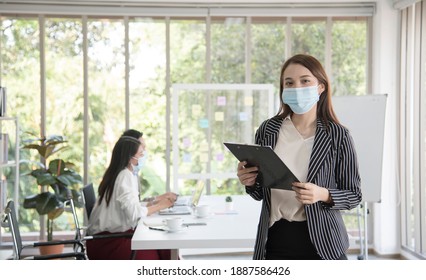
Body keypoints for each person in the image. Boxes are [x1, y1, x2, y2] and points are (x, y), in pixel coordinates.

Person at [237, 54, 362, 260]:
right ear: (283, 89)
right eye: (289, 82)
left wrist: (322, 194)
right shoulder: (268, 130)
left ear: (320, 87)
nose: (297, 88)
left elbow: (354, 195)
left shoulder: (338, 135)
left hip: (323, 241)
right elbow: (260, 193)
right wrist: (249, 181)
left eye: (305, 81)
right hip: (275, 238)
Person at [86, 135, 174, 260]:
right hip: (108, 243)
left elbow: (131, 207)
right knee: (158, 252)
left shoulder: (121, 173)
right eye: (140, 154)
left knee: (165, 246)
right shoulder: (124, 176)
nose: (143, 157)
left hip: (111, 237)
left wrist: (155, 203)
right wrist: (161, 205)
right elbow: (135, 214)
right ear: (129, 158)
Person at [121, 129, 177, 205]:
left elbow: (136, 204)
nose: (143, 152)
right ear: (131, 150)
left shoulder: (132, 173)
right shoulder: (124, 175)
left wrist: (160, 198)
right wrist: (160, 205)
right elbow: (134, 211)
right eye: (142, 148)